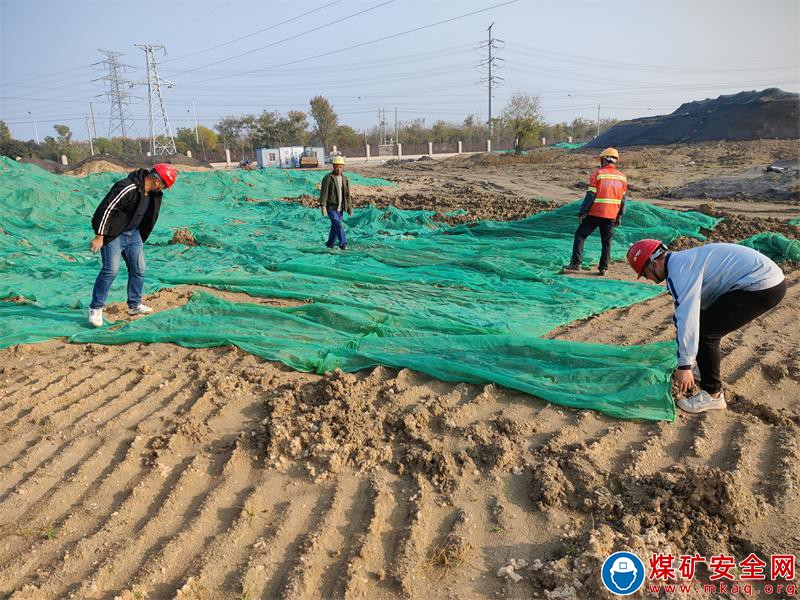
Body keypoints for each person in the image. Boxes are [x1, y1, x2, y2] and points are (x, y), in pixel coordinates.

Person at [627, 239, 787, 413]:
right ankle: (702, 370)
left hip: (762, 286)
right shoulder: (681, 262)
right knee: (705, 323)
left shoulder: (679, 272)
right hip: (763, 279)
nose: (647, 279)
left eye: (644, 273)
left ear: (654, 263)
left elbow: (688, 318)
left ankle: (712, 395)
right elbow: (696, 310)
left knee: (706, 332)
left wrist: (684, 365)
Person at [87, 163, 178, 327]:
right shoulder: (127, 187)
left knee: (139, 269)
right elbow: (106, 209)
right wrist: (99, 236)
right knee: (110, 270)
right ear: (158, 182)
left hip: (133, 234)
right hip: (114, 234)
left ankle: (134, 305)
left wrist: (140, 237)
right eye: (164, 185)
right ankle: (96, 308)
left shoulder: (151, 195)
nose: (163, 189)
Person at [565, 147, 627, 275]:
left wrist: (583, 211)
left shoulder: (598, 174)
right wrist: (619, 216)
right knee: (606, 242)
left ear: (604, 160)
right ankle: (603, 268)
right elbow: (623, 200)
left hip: (595, 213)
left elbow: (591, 195)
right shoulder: (622, 178)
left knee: (580, 235)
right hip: (611, 216)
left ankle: (576, 264)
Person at [319, 155, 352, 250]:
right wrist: (323, 206)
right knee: (337, 223)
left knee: (335, 226)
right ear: (333, 167)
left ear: (343, 167)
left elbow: (347, 194)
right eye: (336, 166)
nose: (338, 168)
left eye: (340, 166)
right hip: (331, 207)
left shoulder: (345, 179)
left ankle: (330, 243)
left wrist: (349, 207)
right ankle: (343, 243)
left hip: (340, 207)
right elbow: (323, 192)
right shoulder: (328, 178)